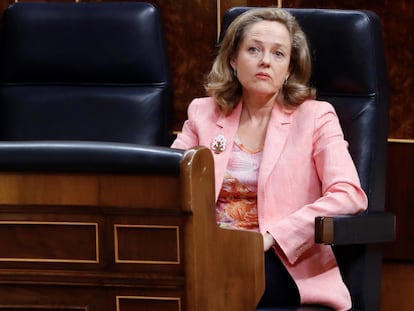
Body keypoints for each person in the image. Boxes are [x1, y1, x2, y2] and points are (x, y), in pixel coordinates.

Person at [171, 7, 367, 311]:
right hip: (207, 252)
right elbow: (168, 177)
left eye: (278, 54)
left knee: (218, 288)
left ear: (289, 68)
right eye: (254, 49)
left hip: (280, 259)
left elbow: (348, 194)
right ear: (233, 60)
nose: (265, 60)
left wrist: (274, 236)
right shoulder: (203, 112)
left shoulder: (315, 117)